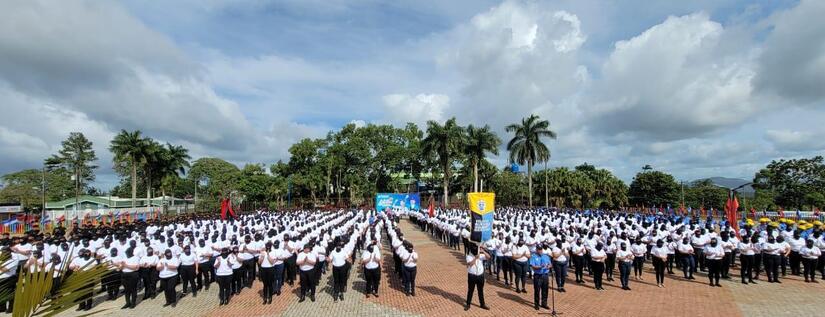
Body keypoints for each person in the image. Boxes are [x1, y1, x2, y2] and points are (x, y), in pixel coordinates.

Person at [465, 244, 490, 311]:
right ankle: (468, 304)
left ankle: (482, 304)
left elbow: (488, 257)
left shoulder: (480, 255)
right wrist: (476, 258)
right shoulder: (469, 256)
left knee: (480, 291)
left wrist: (483, 251)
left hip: (480, 276)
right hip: (472, 276)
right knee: (470, 290)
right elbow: (470, 264)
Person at [530, 245, 551, 310]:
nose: (540, 251)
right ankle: (536, 304)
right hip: (538, 276)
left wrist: (548, 266)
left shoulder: (546, 256)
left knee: (545, 290)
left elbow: (550, 264)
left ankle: (544, 304)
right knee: (537, 290)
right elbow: (533, 266)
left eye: (541, 249)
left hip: (545, 275)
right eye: (538, 249)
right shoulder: (533, 256)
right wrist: (540, 266)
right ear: (536, 250)